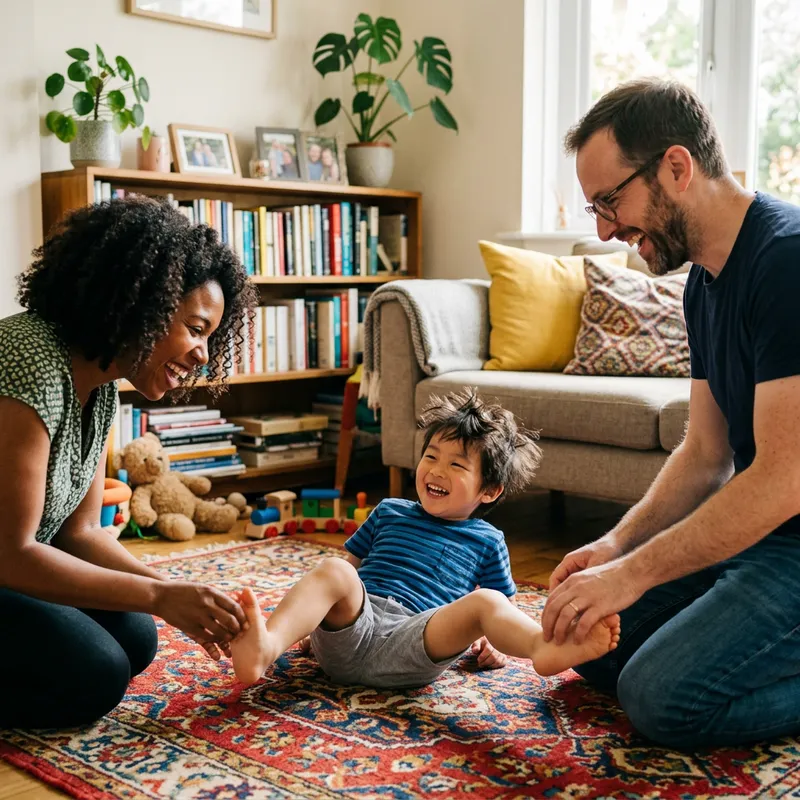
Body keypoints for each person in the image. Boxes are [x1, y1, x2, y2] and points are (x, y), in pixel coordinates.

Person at [542, 77, 800, 749]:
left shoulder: (788, 262)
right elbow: (706, 454)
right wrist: (614, 547)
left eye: (609, 200)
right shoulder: (704, 283)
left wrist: (630, 577)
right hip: (767, 538)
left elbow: (782, 479)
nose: (603, 230)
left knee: (660, 699)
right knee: (593, 647)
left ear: (677, 167)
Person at [0, 195, 258, 728]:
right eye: (194, 328)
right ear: (141, 302)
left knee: (136, 636)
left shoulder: (101, 388)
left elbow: (82, 533)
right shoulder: (27, 363)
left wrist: (181, 599)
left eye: (210, 337)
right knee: (95, 671)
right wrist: (161, 595)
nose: (202, 356)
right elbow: (12, 553)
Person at [229, 389, 621, 688]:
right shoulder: (390, 511)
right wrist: (316, 625)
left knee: (487, 601)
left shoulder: (487, 539)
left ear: (490, 490)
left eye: (456, 464)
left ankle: (542, 648)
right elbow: (346, 575)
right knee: (334, 568)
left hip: (416, 640)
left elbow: (505, 607)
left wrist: (495, 644)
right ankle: (268, 645)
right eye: (431, 457)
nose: (436, 470)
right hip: (350, 635)